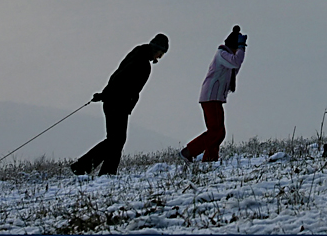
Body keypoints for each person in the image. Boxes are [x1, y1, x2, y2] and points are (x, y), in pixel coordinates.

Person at [70, 33, 169, 176]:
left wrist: (104, 94)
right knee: (116, 140)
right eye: (161, 53)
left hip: (115, 102)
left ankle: (102, 172)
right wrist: (107, 95)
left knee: (116, 140)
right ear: (156, 49)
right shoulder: (141, 62)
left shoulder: (138, 54)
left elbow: (117, 75)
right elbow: (121, 79)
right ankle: (88, 168)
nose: (159, 57)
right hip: (118, 103)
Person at [180, 25, 247, 162]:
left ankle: (210, 159)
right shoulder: (222, 54)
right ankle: (189, 152)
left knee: (218, 131)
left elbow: (236, 66)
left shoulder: (226, 57)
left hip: (214, 98)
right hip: (211, 98)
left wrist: (240, 48)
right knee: (216, 131)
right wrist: (241, 48)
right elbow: (236, 62)